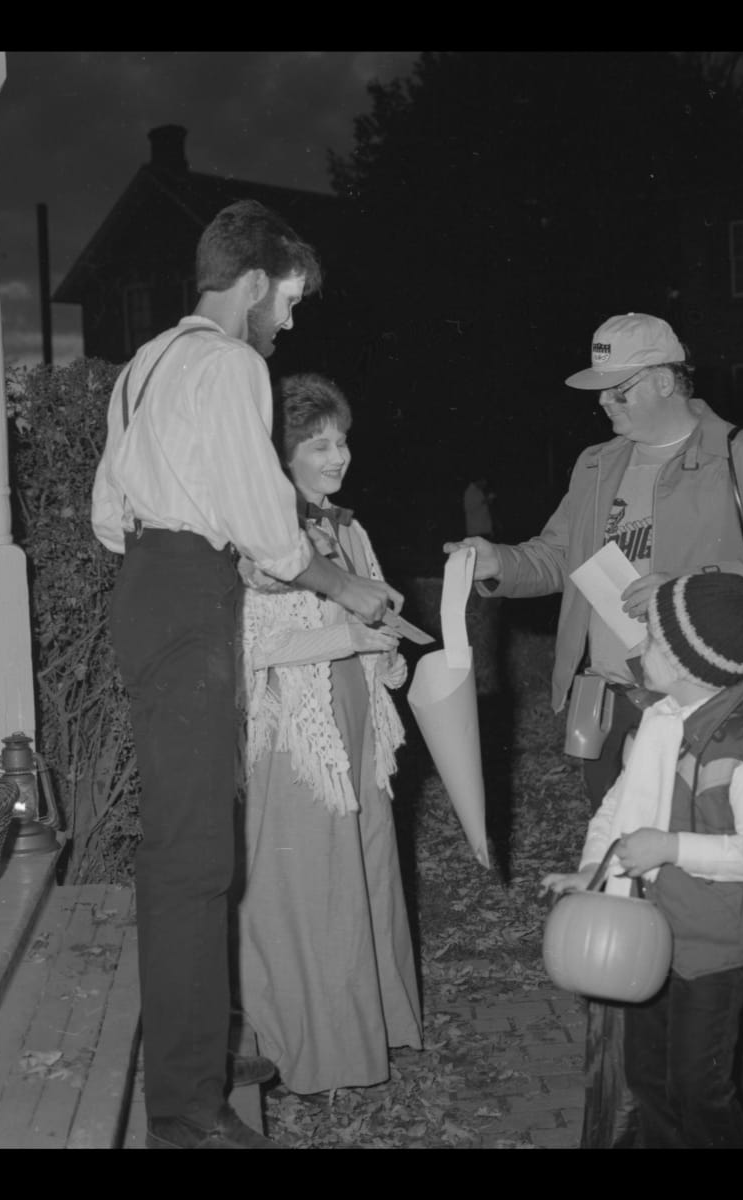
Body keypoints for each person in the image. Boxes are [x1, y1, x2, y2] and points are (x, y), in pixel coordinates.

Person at [91, 201, 401, 1150]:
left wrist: (205, 546)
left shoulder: (148, 363)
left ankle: (207, 1044)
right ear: (258, 282)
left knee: (198, 846)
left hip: (154, 580)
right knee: (193, 863)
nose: (292, 321)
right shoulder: (233, 364)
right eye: (292, 299)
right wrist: (340, 581)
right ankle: (184, 1110)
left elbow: (110, 512)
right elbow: (268, 523)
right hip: (187, 594)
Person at [444, 312, 743, 812]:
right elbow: (558, 556)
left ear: (664, 381)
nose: (602, 400)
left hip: (701, 701)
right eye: (600, 389)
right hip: (608, 699)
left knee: (688, 862)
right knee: (614, 849)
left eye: (618, 388)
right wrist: (500, 563)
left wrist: (685, 589)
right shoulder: (597, 464)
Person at [541, 572, 743, 1148]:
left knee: (698, 1088)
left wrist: (669, 847)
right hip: (654, 934)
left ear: (690, 664)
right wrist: (594, 869)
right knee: (647, 1078)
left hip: (714, 948)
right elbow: (618, 805)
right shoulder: (659, 723)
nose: (638, 650)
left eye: (652, 640)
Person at [238, 373, 423, 1096]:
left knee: (365, 873)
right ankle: (312, 1050)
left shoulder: (347, 526)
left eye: (341, 439)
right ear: (281, 455)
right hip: (299, 736)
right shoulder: (264, 536)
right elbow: (255, 646)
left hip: (358, 723)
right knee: (310, 887)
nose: (337, 455)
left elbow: (365, 619)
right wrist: (349, 635)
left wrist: (388, 646)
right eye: (318, 444)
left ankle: (369, 1032)